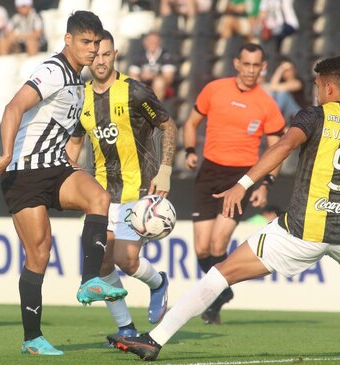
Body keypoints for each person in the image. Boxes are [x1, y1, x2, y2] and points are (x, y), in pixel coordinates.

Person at [107, 55, 340, 362]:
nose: (316, 93)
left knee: (221, 273)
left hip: (300, 230)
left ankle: (154, 340)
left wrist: (243, 184)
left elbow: (284, 146)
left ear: (330, 88)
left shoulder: (314, 116)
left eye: (318, 87)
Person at [0, 11, 128, 356]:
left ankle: (90, 281)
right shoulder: (52, 71)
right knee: (39, 254)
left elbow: (61, 125)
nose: (93, 50)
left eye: (96, 43)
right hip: (24, 172)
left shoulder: (78, 81)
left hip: (54, 166)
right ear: (68, 40)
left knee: (99, 198)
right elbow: (12, 107)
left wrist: (69, 158)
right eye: (86, 43)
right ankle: (32, 338)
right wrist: (5, 154)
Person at [65, 31, 177, 340]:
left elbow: (168, 126)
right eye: (95, 55)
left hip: (136, 191)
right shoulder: (81, 96)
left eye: (106, 54)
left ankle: (158, 283)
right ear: (88, 57)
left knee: (126, 259)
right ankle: (126, 328)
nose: (100, 61)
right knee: (101, 263)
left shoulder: (135, 92)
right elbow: (75, 141)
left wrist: (165, 169)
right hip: (101, 196)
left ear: (116, 55)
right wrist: (67, 172)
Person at [182, 43, 285, 325]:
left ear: (263, 68)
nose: (251, 70)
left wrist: (266, 183)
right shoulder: (215, 89)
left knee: (218, 243)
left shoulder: (266, 104)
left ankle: (216, 299)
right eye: (247, 64)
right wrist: (190, 151)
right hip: (209, 172)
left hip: (241, 178)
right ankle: (223, 292)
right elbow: (190, 123)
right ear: (236, 63)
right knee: (201, 249)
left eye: (257, 65)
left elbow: (278, 149)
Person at [127, 32, 177, 101]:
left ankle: (155, 108)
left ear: (159, 42)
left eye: (155, 42)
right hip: (143, 84)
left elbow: (168, 78)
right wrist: (142, 76)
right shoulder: (139, 55)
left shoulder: (166, 56)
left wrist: (153, 76)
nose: (153, 44)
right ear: (145, 43)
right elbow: (132, 74)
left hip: (161, 88)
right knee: (133, 81)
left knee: (159, 83)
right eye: (150, 42)